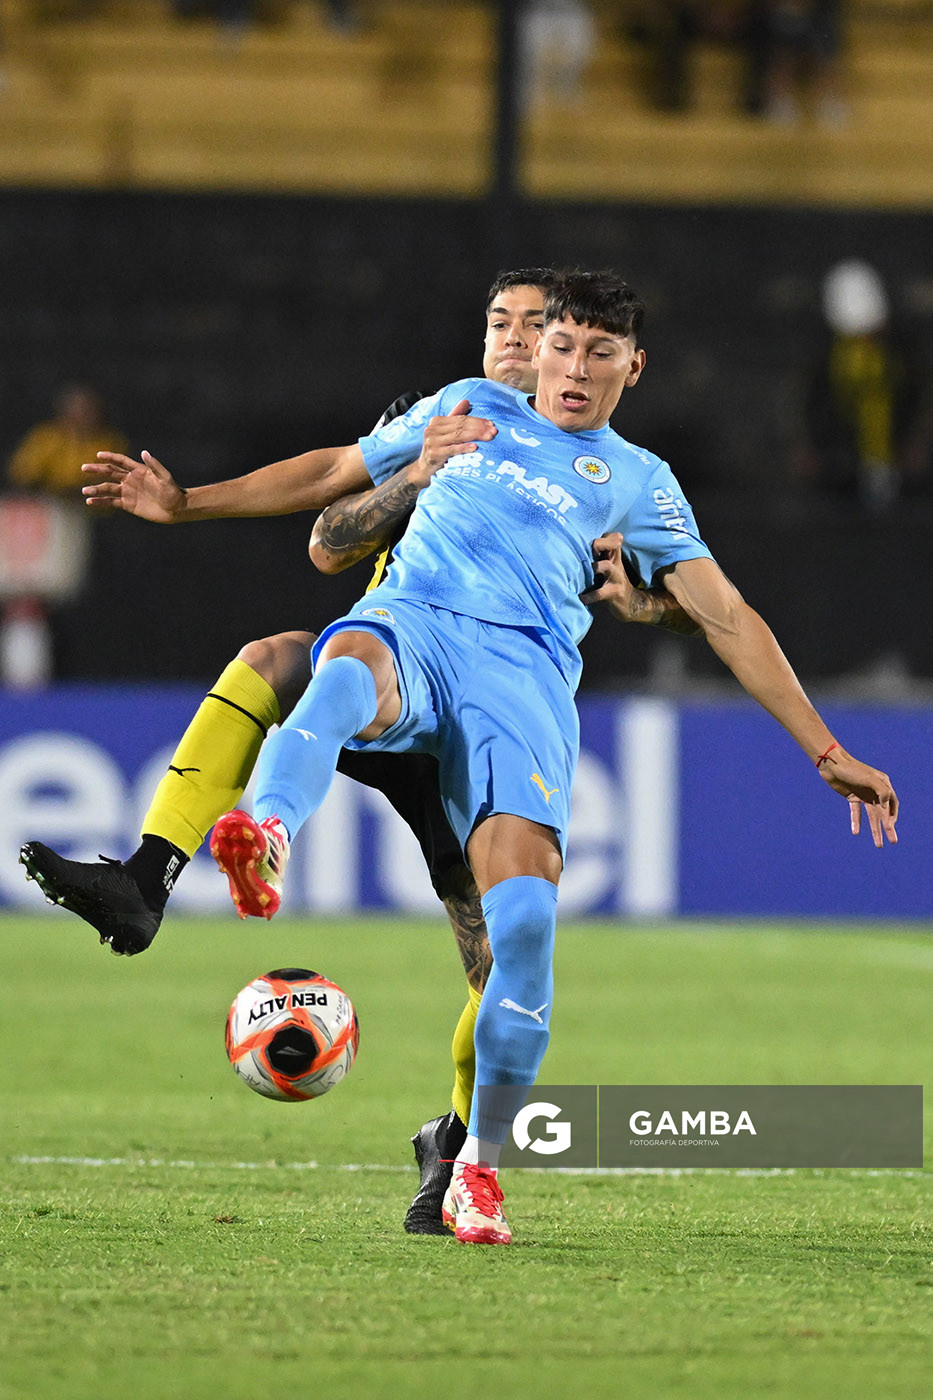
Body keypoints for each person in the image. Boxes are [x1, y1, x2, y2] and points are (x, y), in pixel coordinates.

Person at [201, 268, 897, 1245]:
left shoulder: (641, 481)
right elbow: (331, 473)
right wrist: (185, 502)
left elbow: (726, 615)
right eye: (561, 345)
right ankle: (266, 830)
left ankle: (478, 1168)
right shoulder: (469, 407)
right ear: (541, 349)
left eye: (598, 353)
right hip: (419, 624)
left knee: (522, 922)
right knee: (349, 656)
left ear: (632, 367)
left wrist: (825, 747)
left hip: (520, 685)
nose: (572, 368)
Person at [21, 270, 683, 1233]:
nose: (516, 341)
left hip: (478, 722)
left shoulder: (605, 467)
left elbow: (682, 597)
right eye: (501, 323)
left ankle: (454, 1146)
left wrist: (639, 594)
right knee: (273, 659)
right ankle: (146, 878)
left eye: (538, 328)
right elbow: (329, 538)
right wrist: (407, 474)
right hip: (386, 681)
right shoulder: (448, 421)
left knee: (496, 964)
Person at [7, 384, 126, 496]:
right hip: (48, 503)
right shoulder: (45, 438)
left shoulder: (110, 441)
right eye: (78, 408)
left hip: (93, 508)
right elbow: (21, 475)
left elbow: (113, 482)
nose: (84, 415)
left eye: (89, 409)